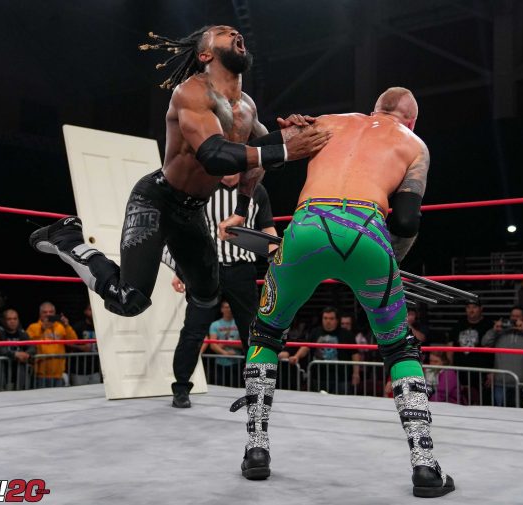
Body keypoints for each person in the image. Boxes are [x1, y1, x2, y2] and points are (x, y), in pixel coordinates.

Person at [223, 87, 454, 496]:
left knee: (265, 334)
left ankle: (256, 450)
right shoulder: (415, 144)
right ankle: (425, 467)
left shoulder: (328, 122)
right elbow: (405, 220)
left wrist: (242, 208)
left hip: (306, 229)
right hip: (367, 233)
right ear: (412, 121)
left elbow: (259, 151)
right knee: (399, 348)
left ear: (374, 109)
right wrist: (390, 264)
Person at [28, 25, 329, 322]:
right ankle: (67, 238)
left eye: (236, 31)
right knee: (129, 299)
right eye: (223, 31)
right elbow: (214, 155)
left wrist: (291, 135)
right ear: (205, 54)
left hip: (192, 211)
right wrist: (285, 150)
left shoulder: (247, 106)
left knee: (207, 295)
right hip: (157, 200)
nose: (235, 33)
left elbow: (261, 158)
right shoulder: (192, 93)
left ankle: (167, 252)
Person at [168, 173, 276, 408]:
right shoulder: (202, 187)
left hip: (242, 269)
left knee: (252, 332)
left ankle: (257, 390)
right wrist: (180, 268)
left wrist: (277, 257)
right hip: (206, 269)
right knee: (193, 330)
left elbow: (268, 227)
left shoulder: (256, 190)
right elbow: (188, 231)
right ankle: (181, 388)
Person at [481, 306, 523, 407]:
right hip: (501, 383)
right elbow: (485, 342)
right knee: (501, 412)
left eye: (518, 316)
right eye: (512, 316)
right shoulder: (500, 333)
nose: (514, 319)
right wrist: (494, 330)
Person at [447, 299, 494, 405]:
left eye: (474, 307)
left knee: (481, 403)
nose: (471, 310)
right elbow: (450, 346)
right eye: (468, 307)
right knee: (460, 401)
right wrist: (451, 366)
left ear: (481, 309)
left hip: (481, 373)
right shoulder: (459, 324)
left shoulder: (489, 325)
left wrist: (492, 371)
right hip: (460, 371)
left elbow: (494, 350)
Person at [26, 302, 77, 389]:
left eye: (51, 312)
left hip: (58, 373)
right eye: (45, 312)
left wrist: (67, 326)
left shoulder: (61, 327)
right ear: (40, 314)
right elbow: (28, 343)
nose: (48, 314)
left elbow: (73, 341)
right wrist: (42, 329)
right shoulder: (33, 327)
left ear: (55, 313)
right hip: (40, 374)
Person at [0, 308, 35, 391]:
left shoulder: (22, 333)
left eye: (15, 319)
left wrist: (27, 354)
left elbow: (32, 347)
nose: (12, 321)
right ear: (3, 320)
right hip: (2, 371)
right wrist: (14, 354)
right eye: (9, 319)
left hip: (19, 370)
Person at [207, 301, 243, 388]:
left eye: (230, 307)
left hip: (237, 362)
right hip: (220, 363)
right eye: (226, 307)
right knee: (220, 388)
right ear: (222, 309)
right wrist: (226, 353)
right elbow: (213, 345)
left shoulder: (240, 323)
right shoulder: (215, 324)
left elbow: (243, 344)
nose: (228, 309)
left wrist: (223, 343)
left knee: (236, 389)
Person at [67, 303, 102, 386]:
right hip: (79, 370)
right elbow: (68, 343)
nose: (93, 312)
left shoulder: (100, 327)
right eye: (90, 309)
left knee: (96, 392)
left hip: (95, 369)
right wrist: (81, 347)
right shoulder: (78, 327)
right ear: (85, 311)